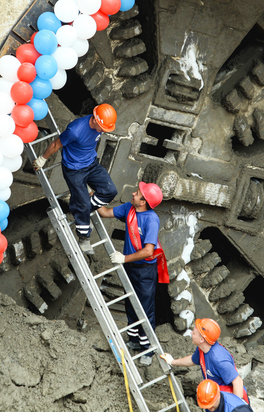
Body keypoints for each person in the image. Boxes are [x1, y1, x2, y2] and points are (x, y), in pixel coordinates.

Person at [97, 182, 169, 366]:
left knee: (145, 309)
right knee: (130, 303)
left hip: (145, 269)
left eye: (137, 193)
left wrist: (124, 259)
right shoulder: (129, 208)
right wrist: (94, 198)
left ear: (144, 201)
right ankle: (135, 340)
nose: (133, 193)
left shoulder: (151, 219)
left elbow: (148, 251)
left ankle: (148, 350)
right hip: (131, 266)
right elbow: (105, 213)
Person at [33, 104, 118, 255]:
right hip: (74, 169)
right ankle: (84, 239)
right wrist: (42, 159)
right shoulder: (75, 130)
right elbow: (56, 144)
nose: (105, 131)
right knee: (82, 203)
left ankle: (83, 209)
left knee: (110, 191)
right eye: (103, 128)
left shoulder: (98, 127)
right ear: (96, 121)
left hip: (91, 163)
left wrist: (84, 207)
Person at [160, 318, 249, 403]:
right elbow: (192, 360)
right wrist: (172, 362)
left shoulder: (218, 359)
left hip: (226, 399)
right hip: (214, 397)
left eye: (194, 333)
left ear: (202, 339)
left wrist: (234, 407)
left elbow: (238, 382)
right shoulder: (203, 349)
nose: (191, 333)